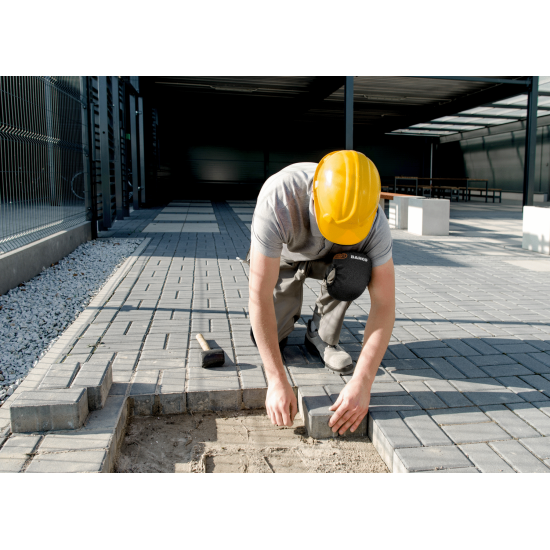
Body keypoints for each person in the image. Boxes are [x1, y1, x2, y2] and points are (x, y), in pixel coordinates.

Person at [247, 150, 395, 436]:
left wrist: (363, 383)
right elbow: (259, 295)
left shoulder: (374, 219)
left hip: (334, 262)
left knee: (356, 270)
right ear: (313, 198)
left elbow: (385, 305)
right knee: (265, 337)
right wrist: (276, 379)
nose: (336, 236)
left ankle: (321, 333)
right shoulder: (279, 198)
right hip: (284, 257)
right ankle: (287, 319)